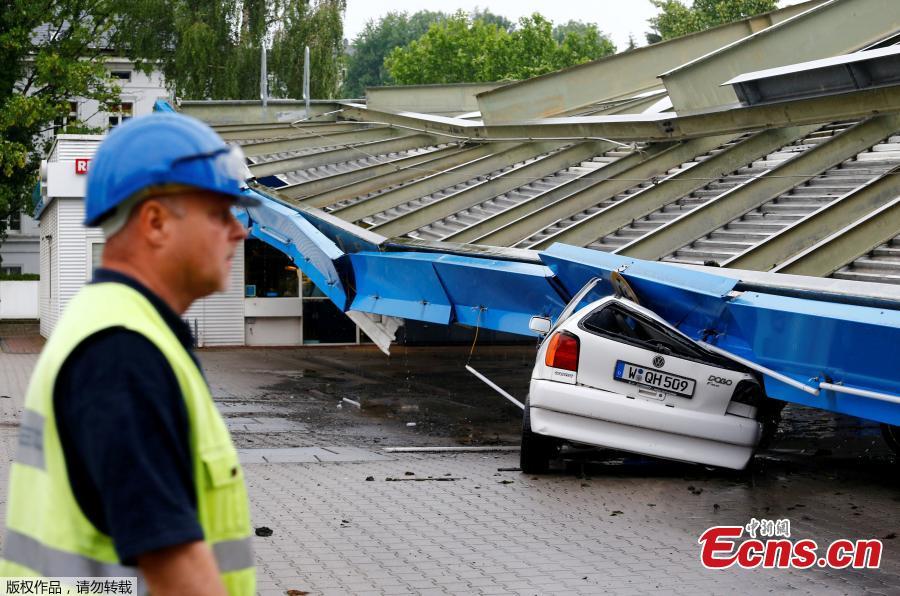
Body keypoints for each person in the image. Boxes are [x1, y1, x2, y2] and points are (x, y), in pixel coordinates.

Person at [1, 113, 259, 595]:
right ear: (156, 221)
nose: (239, 231)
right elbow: (174, 564)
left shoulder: (120, 329)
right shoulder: (123, 353)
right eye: (220, 212)